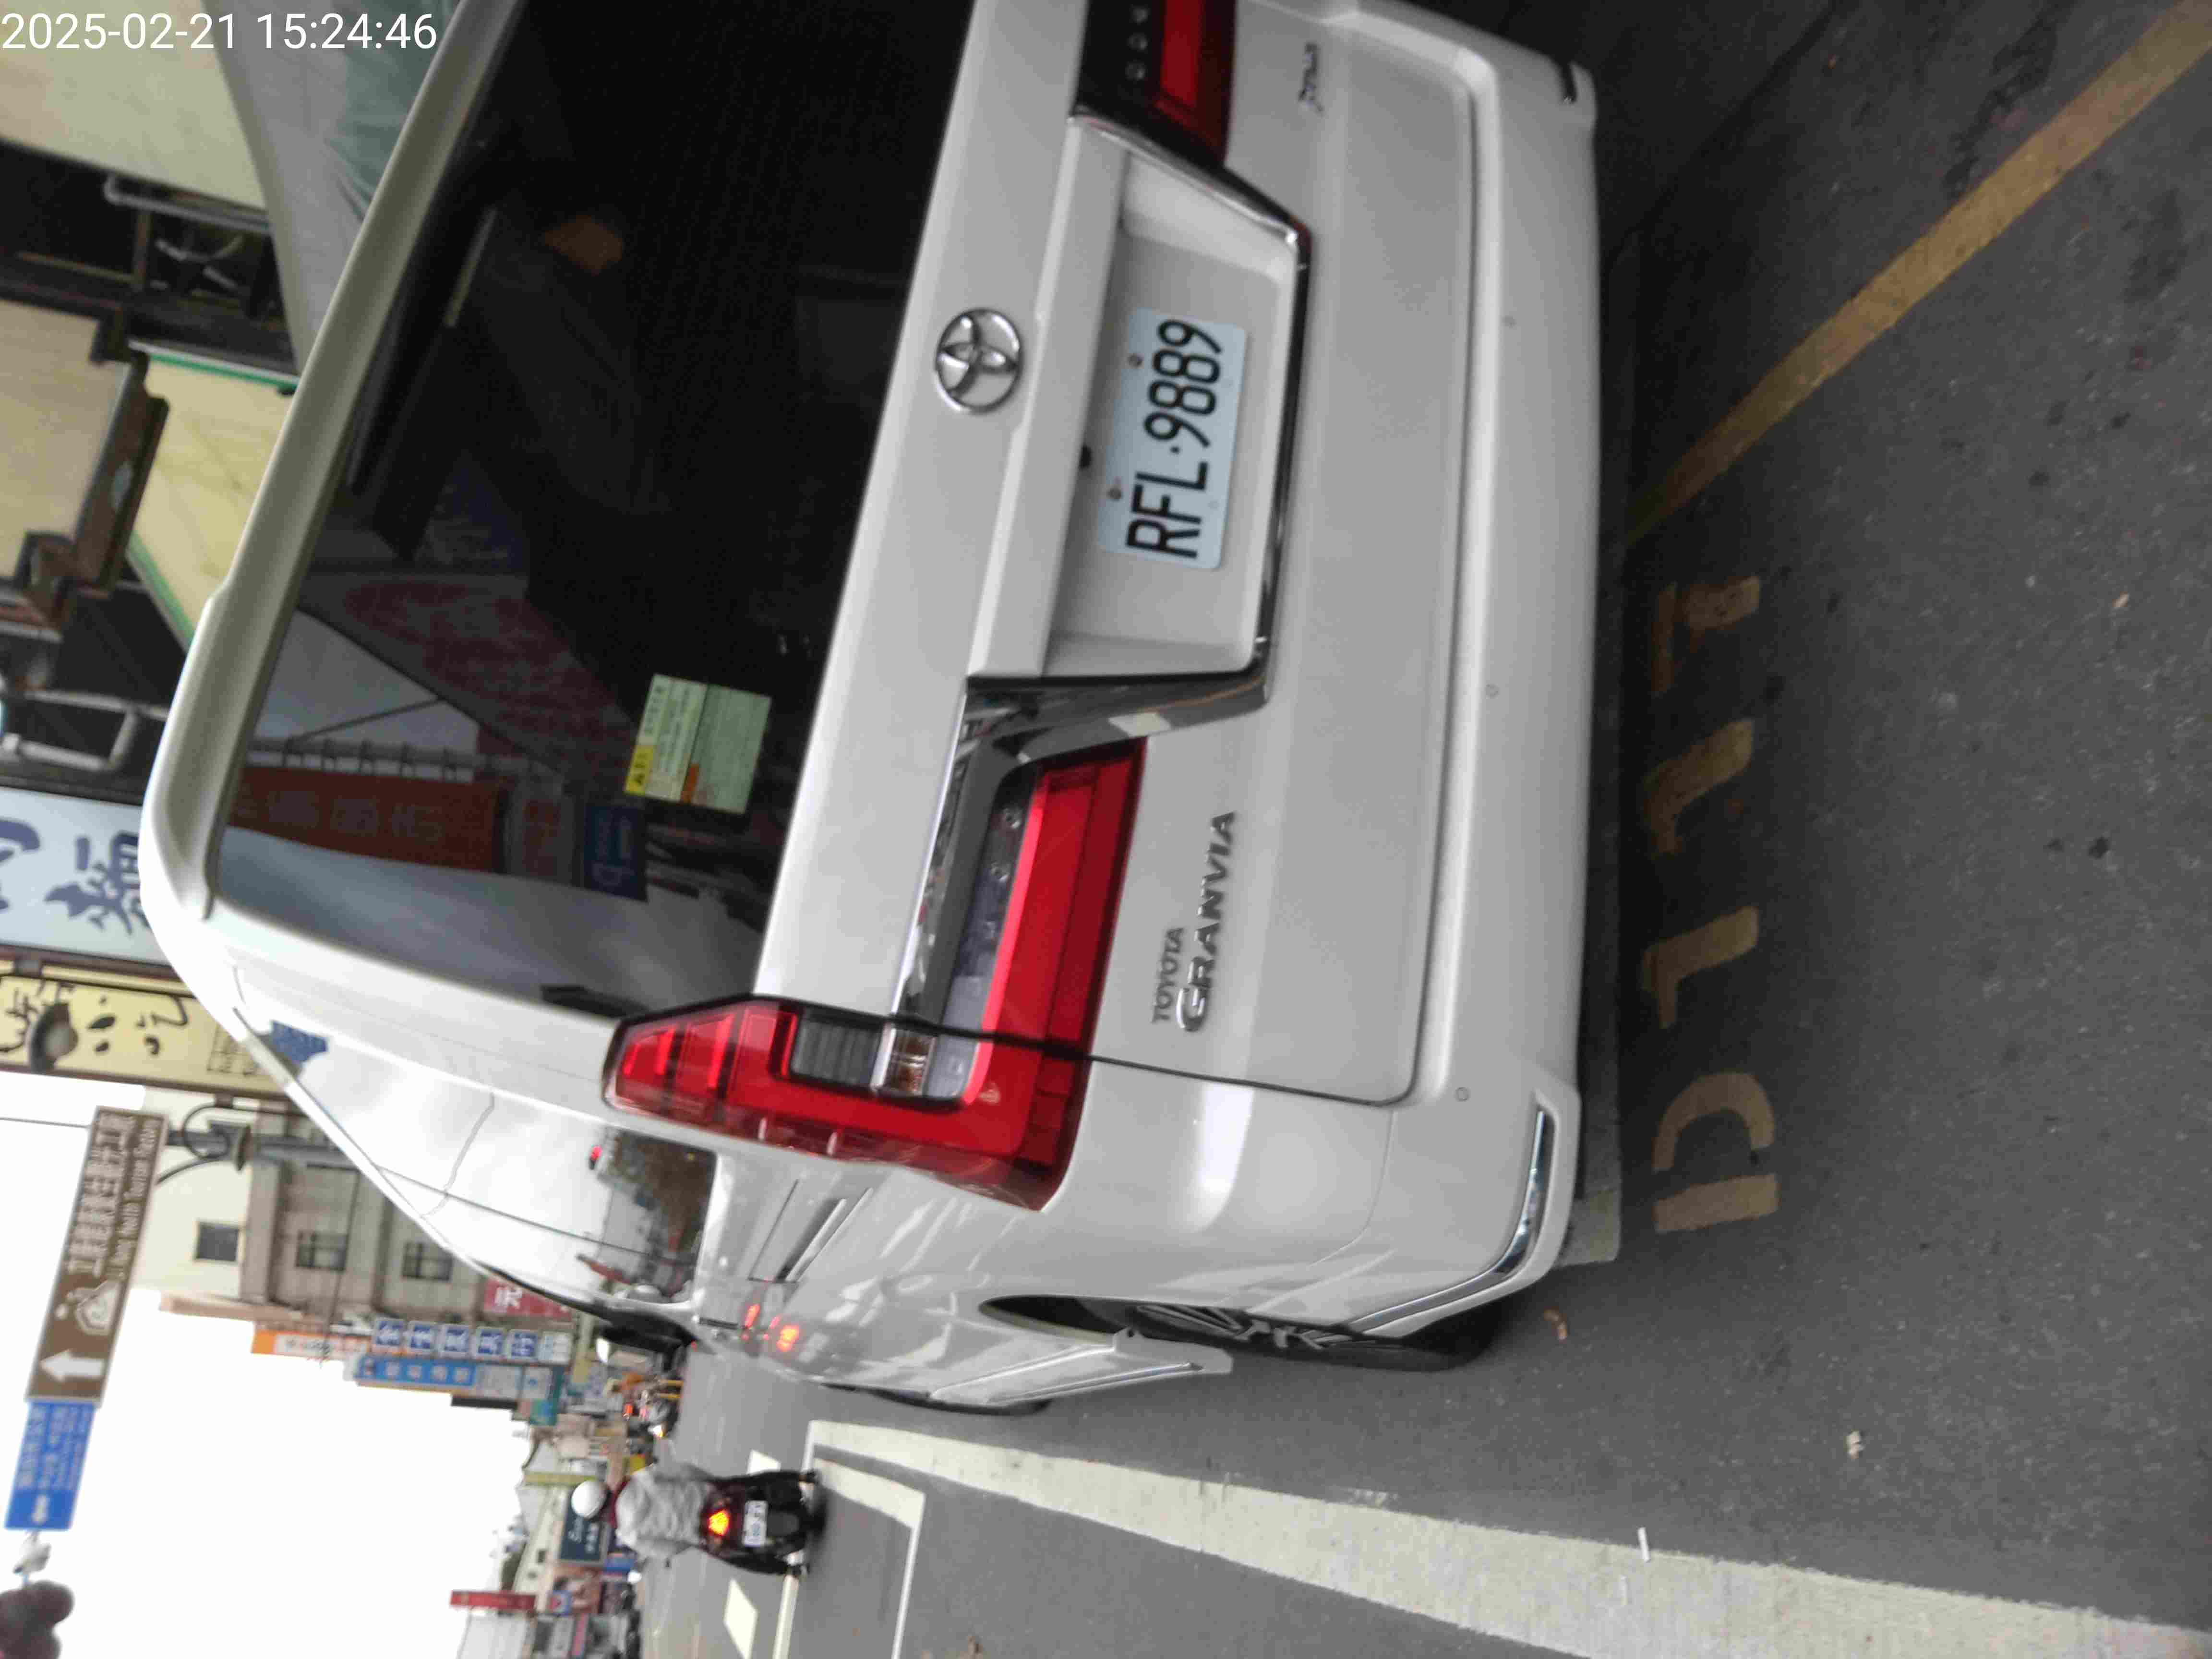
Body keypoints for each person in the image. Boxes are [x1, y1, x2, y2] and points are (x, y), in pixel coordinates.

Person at [573, 1464, 818, 1578]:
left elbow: (668, 1550)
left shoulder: (628, 1534)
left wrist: (692, 1539)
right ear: (604, 1488)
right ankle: (801, 1476)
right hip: (712, 1496)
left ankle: (789, 1570)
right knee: (752, 1482)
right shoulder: (640, 1479)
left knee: (742, 1558)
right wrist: (712, 1482)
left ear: (598, 1516)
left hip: (702, 1532)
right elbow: (683, 1472)